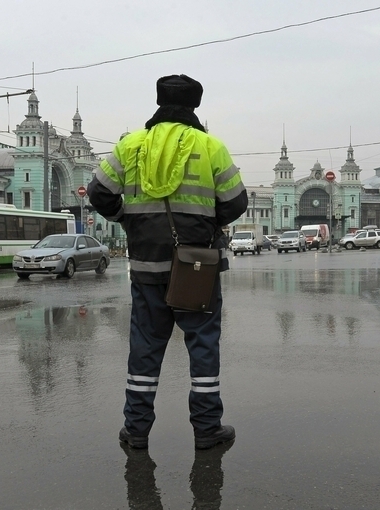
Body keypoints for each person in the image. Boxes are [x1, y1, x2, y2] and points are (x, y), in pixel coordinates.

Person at [88, 74, 248, 450]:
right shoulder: (210, 147)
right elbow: (237, 202)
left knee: (144, 348)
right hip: (197, 268)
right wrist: (208, 220)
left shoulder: (131, 145)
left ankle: (137, 430)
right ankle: (208, 430)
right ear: (195, 104)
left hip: (146, 268)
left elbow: (98, 192)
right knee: (203, 346)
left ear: (159, 100)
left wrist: (127, 218)